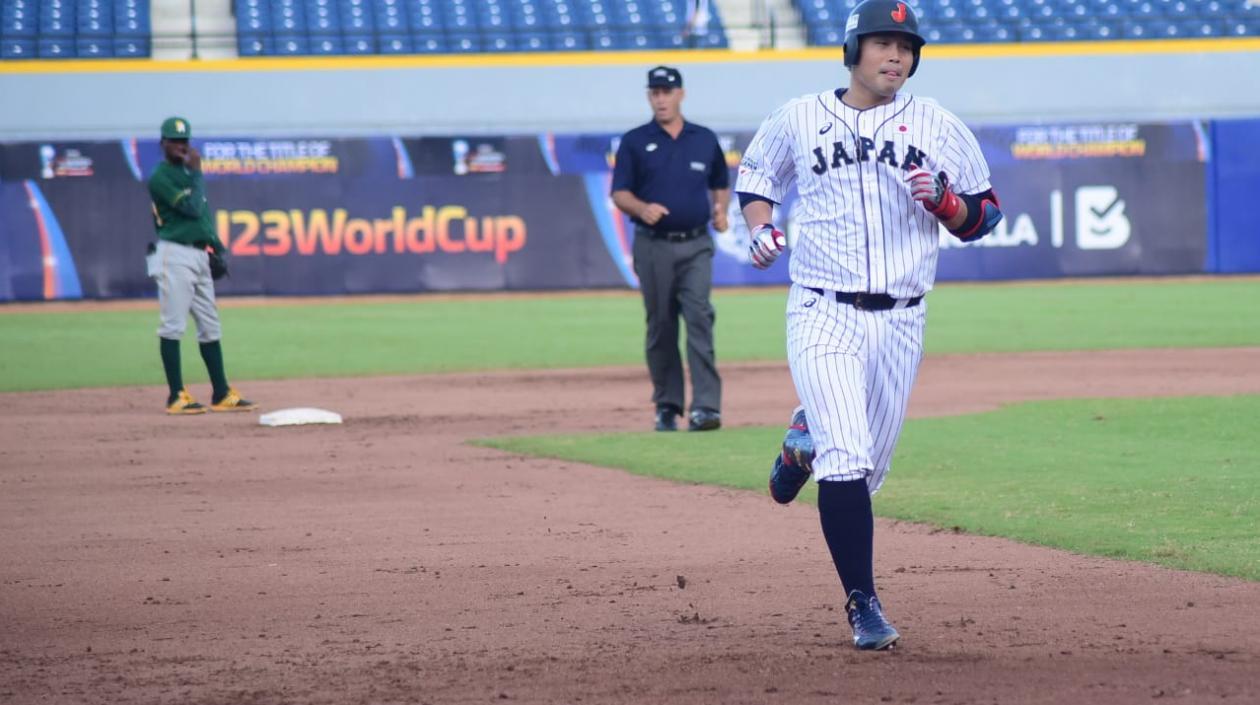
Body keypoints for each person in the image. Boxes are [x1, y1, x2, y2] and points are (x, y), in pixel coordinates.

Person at [735, 0, 1003, 650]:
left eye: (906, 47)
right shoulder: (799, 115)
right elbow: (757, 175)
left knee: (868, 469)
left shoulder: (936, 123)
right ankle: (863, 602)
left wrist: (946, 202)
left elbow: (987, 212)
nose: (896, 56)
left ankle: (804, 438)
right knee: (846, 460)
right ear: (853, 49)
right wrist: (761, 226)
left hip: (902, 320)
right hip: (822, 308)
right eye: (884, 43)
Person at [612, 66, 731, 432]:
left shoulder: (704, 138)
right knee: (661, 325)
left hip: (696, 243)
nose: (661, 98)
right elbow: (619, 193)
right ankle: (667, 405)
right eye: (655, 92)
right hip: (654, 246)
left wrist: (720, 209)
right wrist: (641, 208)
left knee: (699, 318)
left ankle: (706, 407)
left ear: (681, 94)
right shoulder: (635, 140)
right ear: (650, 97)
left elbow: (719, 182)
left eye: (667, 91)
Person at [148, 116, 256, 415]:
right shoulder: (162, 176)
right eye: (174, 141)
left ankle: (221, 392)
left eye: (184, 141)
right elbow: (192, 209)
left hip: (198, 255)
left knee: (210, 326)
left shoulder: (188, 174)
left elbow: (203, 218)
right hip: (174, 255)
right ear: (163, 144)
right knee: (173, 325)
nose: (180, 147)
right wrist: (197, 172)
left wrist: (217, 247)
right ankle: (176, 395)